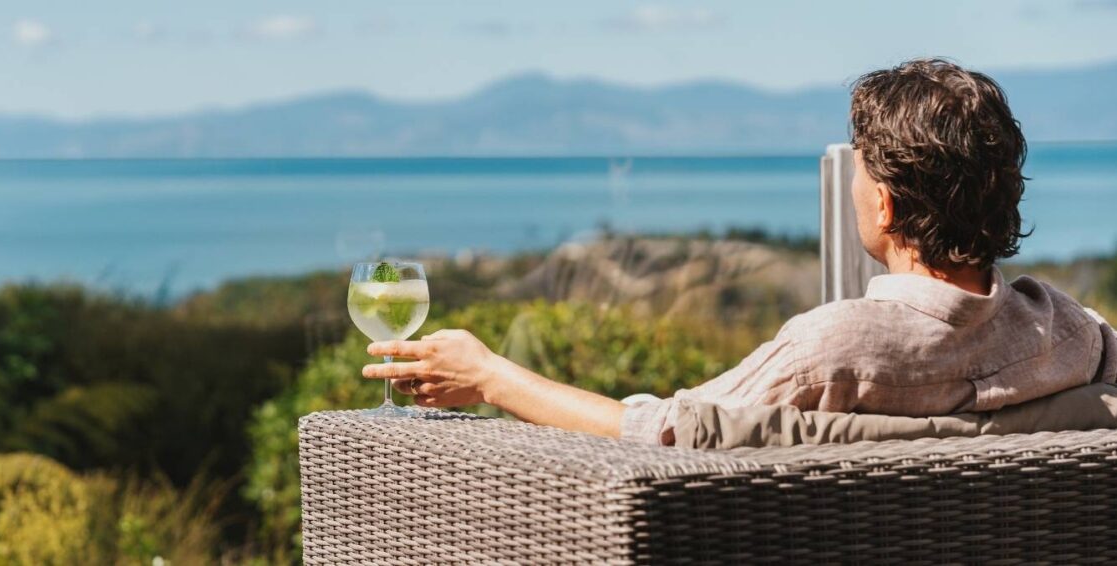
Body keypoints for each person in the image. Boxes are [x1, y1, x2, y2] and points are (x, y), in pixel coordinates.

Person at [362, 59, 1117, 446]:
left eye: (858, 165)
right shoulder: (1068, 332)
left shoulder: (836, 349)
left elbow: (665, 433)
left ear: (884, 204)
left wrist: (491, 374)